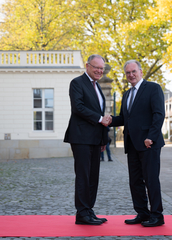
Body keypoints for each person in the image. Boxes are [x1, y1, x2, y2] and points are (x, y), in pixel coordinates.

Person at [108, 60, 165, 227]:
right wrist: (108, 120)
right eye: (128, 73)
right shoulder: (126, 94)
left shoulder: (153, 88)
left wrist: (151, 137)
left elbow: (158, 114)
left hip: (149, 144)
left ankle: (157, 215)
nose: (131, 75)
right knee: (135, 181)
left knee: (151, 179)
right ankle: (142, 212)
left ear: (140, 71)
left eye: (133, 71)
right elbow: (125, 119)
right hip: (132, 144)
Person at [64, 54, 111, 225]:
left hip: (95, 139)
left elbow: (101, 115)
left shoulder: (97, 87)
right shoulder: (77, 83)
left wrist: (103, 139)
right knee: (83, 176)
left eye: (101, 68)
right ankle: (82, 213)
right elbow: (79, 108)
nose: (99, 71)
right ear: (87, 66)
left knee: (93, 176)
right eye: (96, 67)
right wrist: (100, 119)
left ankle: (89, 211)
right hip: (81, 137)